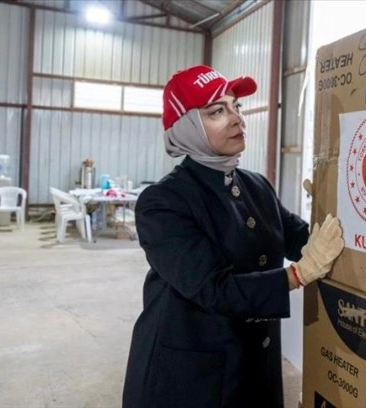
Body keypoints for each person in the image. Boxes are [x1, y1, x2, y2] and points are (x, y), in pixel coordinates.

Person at [122, 65, 345, 407]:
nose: (237, 119)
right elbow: (214, 289)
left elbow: (301, 239)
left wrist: (334, 207)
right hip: (192, 376)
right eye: (217, 111)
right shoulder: (163, 202)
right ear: (187, 128)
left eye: (236, 106)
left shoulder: (256, 186)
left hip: (254, 365)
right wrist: (298, 274)